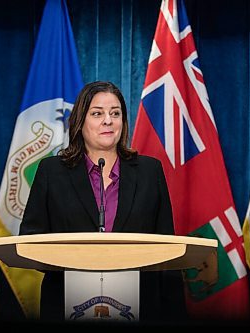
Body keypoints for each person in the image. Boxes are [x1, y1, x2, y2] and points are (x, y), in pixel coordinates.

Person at [19, 81, 186, 324]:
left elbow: (167, 249)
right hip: (67, 301)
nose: (108, 120)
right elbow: (31, 237)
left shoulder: (150, 171)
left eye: (115, 113)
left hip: (141, 305)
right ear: (80, 121)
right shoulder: (51, 171)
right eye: (97, 113)